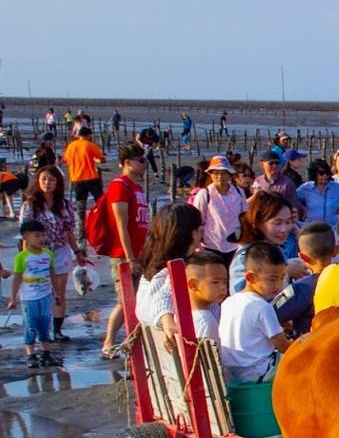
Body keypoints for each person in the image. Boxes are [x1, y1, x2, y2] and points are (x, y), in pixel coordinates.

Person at [21, 165, 90, 342]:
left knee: (58, 292)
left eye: (51, 180)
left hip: (59, 251)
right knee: (40, 292)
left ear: (58, 182)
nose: (47, 183)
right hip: (38, 254)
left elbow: (68, 231)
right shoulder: (30, 204)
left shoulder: (64, 204)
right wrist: (24, 257)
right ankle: (40, 330)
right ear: (38, 181)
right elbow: (25, 233)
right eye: (43, 179)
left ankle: (57, 330)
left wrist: (78, 252)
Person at [98, 145, 151, 360]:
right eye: (141, 160)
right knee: (125, 301)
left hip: (139, 253)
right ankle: (109, 342)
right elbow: (121, 224)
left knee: (138, 300)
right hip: (123, 255)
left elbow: (141, 224)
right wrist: (129, 257)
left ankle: (132, 344)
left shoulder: (136, 187)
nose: (145, 164)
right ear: (128, 162)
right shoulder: (120, 186)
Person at [133, 202, 206, 353]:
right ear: (193, 233)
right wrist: (167, 320)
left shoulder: (150, 273)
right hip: (193, 365)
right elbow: (163, 296)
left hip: (161, 367)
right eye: (200, 227)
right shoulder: (175, 271)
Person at [218, 241, 291, 382]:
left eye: (282, 278)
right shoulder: (262, 307)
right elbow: (283, 346)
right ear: (250, 277)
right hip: (258, 373)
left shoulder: (228, 302)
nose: (278, 285)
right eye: (272, 279)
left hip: (233, 374)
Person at [7, 219, 60, 369]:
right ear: (26, 237)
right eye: (37, 236)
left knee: (45, 324)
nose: (42, 239)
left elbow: (52, 274)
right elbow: (17, 278)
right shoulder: (22, 257)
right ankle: (30, 354)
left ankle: (46, 352)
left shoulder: (48, 254)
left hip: (46, 296)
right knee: (31, 325)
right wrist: (12, 298)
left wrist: (57, 294)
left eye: (43, 235)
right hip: (29, 298)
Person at [228, 192, 299, 285]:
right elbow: (242, 294)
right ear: (258, 223)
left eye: (288, 222)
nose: (284, 229)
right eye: (277, 223)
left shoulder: (277, 248)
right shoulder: (245, 256)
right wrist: (285, 273)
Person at [191, 155, 247, 261]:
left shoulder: (239, 193)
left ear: (229, 174)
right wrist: (198, 246)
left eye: (223, 172)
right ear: (210, 174)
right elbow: (197, 222)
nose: (220, 176)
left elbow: (245, 218)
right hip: (211, 246)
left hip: (235, 246)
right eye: (216, 173)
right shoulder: (204, 194)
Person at [295, 157, 339, 231]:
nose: (325, 176)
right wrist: (302, 207)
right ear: (314, 173)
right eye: (321, 173)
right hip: (311, 229)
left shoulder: (336, 187)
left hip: (332, 229)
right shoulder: (306, 188)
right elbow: (292, 197)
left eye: (327, 173)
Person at [182, 252, 228, 341]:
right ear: (193, 285)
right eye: (215, 282)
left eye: (225, 282)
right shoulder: (205, 322)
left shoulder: (181, 314)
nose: (223, 287)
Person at [64, 125, 105, 219]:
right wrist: (94, 160)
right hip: (91, 177)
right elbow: (101, 159)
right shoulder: (89, 145)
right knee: (100, 200)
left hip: (76, 178)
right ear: (88, 135)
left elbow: (66, 159)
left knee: (80, 203)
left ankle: (81, 226)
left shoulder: (71, 146)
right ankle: (100, 218)